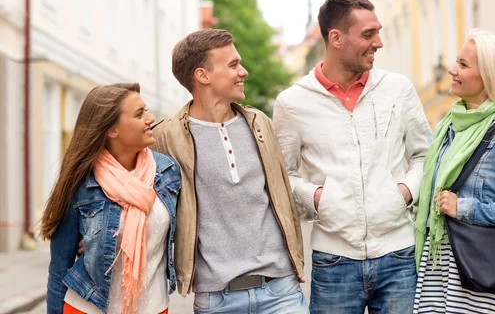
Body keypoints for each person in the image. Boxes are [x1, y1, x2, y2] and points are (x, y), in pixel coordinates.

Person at [273, 0, 432, 313]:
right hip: (334, 261)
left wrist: (402, 192)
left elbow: (425, 155)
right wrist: (319, 197)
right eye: (368, 34)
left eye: (378, 32)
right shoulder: (293, 103)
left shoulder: (398, 89)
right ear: (336, 38)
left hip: (399, 254)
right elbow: (281, 176)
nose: (379, 43)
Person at [150, 29, 307, 314]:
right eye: (233, 65)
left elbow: (283, 189)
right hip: (216, 300)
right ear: (203, 75)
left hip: (281, 292)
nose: (243, 72)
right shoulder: (165, 137)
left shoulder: (260, 123)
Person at [412, 29, 495, 313]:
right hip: (438, 265)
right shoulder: (448, 126)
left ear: (490, 76)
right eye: (455, 62)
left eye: (463, 65)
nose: (452, 70)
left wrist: (466, 208)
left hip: (479, 266)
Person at [41, 83, 181, 314]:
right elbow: (58, 270)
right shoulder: (82, 183)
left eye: (145, 110)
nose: (150, 118)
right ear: (111, 130)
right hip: (89, 307)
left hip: (153, 307)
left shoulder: (167, 172)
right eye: (139, 114)